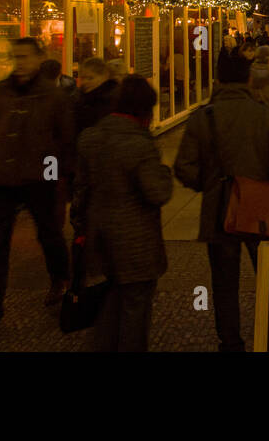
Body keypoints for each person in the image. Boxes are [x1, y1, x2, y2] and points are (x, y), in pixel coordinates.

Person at [173, 54, 269, 351]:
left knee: (224, 282)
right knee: (267, 274)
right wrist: (268, 178)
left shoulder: (203, 117)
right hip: (258, 207)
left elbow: (184, 167)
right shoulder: (264, 115)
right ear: (249, 79)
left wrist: (209, 185)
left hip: (219, 210)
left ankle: (230, 342)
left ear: (218, 80)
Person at [0, 37, 74, 349]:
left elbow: (65, 140)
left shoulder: (53, 96)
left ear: (39, 58)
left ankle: (60, 277)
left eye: (25, 57)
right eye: (16, 57)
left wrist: (54, 175)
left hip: (39, 180)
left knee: (49, 234)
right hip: (1, 181)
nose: (20, 62)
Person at [72, 76, 173, 351]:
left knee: (110, 302)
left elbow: (80, 188)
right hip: (135, 244)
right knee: (134, 310)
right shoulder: (139, 144)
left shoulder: (90, 138)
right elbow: (158, 192)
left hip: (100, 238)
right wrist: (164, 170)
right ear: (145, 110)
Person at [72, 58, 119, 138]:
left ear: (104, 76)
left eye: (90, 78)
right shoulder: (79, 98)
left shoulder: (113, 99)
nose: (85, 82)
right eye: (82, 78)